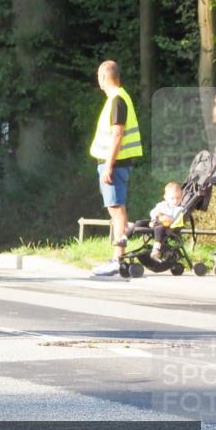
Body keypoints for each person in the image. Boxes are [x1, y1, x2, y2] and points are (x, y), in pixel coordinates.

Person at [90, 60, 143, 276]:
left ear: (103, 78)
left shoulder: (117, 100)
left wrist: (109, 165)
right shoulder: (119, 98)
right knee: (116, 209)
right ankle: (118, 257)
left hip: (114, 164)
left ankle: (117, 260)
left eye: (99, 77)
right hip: (115, 163)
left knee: (116, 209)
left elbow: (117, 134)